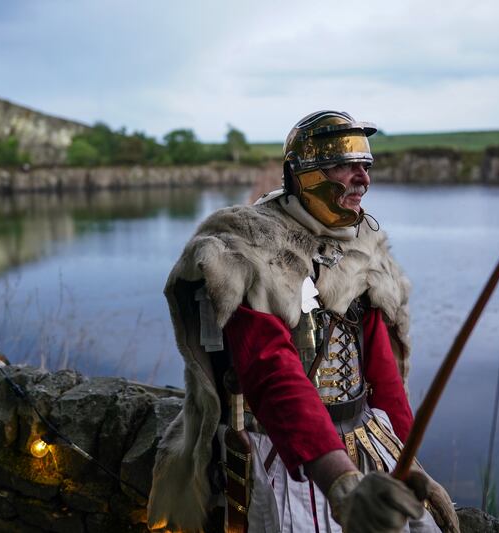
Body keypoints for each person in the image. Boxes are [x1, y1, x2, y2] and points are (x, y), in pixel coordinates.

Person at [148, 111, 459, 533]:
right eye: (344, 167)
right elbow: (269, 371)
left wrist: (407, 460)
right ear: (305, 173)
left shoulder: (363, 249)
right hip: (285, 454)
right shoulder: (247, 246)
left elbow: (382, 376)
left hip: (368, 441)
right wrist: (339, 480)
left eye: (365, 167)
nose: (361, 179)